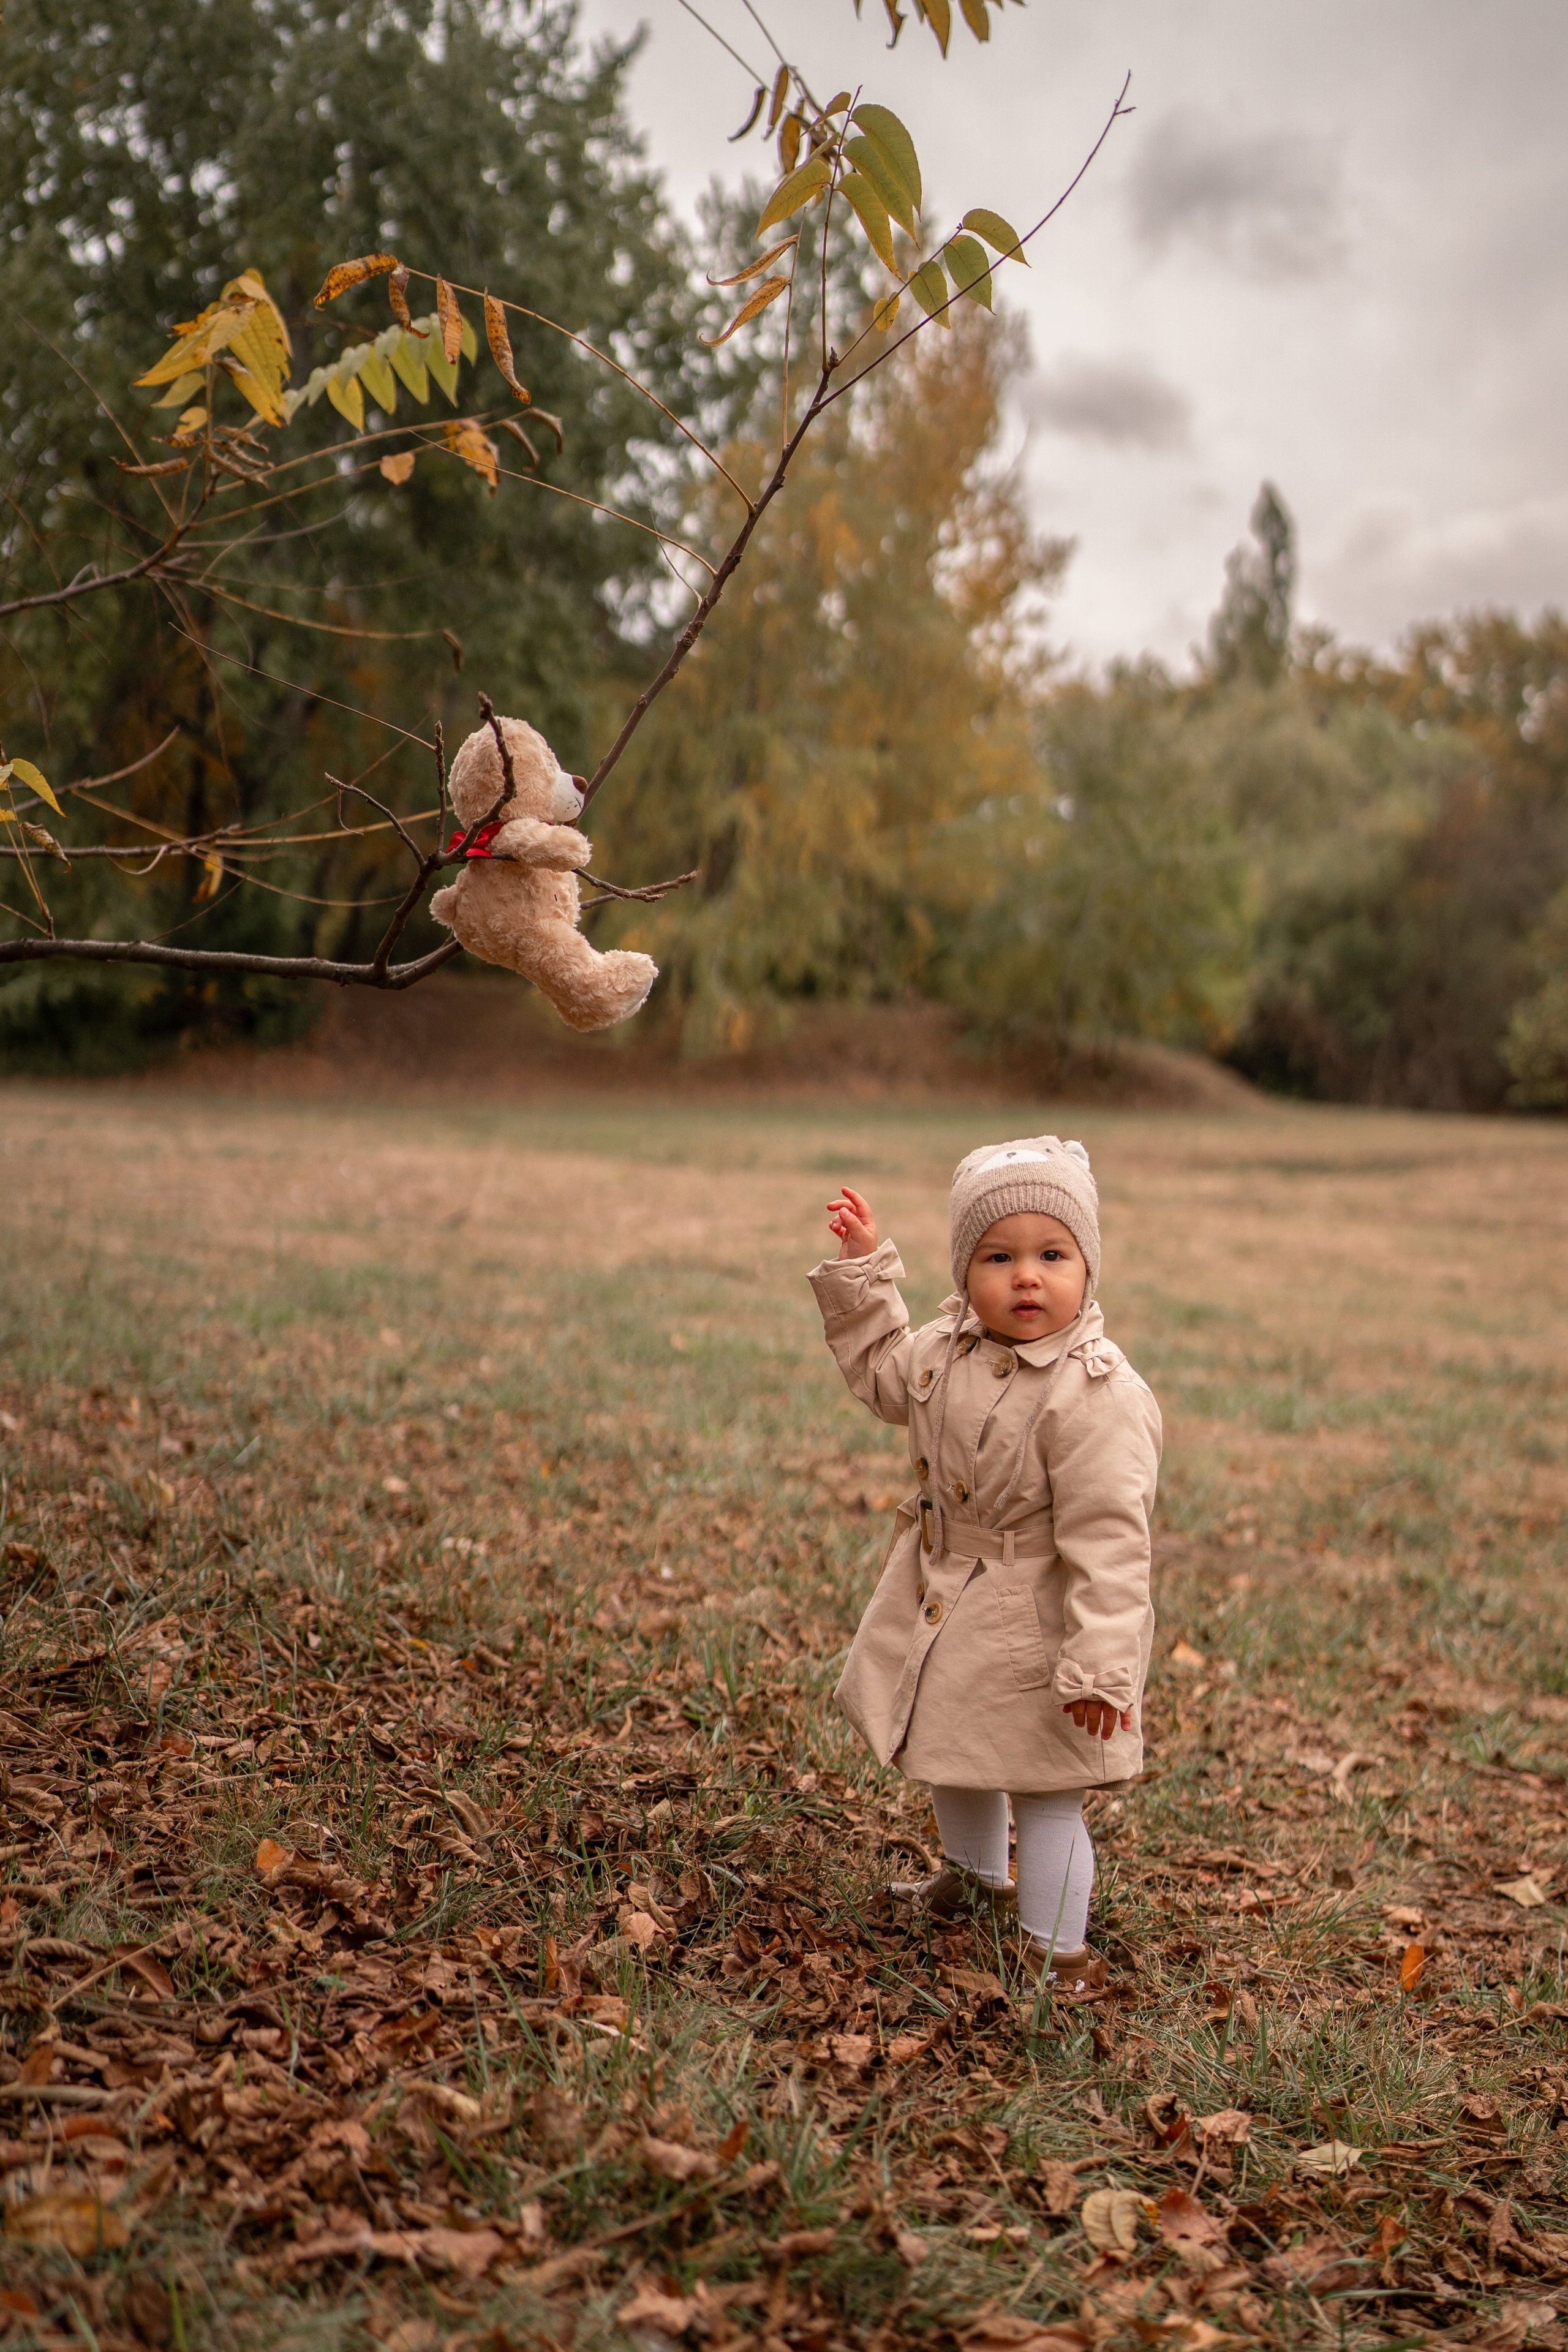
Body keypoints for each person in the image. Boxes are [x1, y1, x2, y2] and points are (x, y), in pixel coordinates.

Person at [808, 1136, 1161, 1986]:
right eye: (999, 1257)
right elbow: (888, 1378)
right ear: (967, 1272)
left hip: (1042, 1626)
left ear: (1088, 1266)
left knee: (1046, 1787)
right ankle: (972, 1882)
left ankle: (1058, 1954)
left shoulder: (1095, 1394)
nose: (1027, 1277)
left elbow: (1113, 1546)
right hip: (952, 1598)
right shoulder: (944, 1350)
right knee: (952, 1746)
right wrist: (865, 1271)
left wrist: (1102, 1667)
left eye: (1053, 1255)